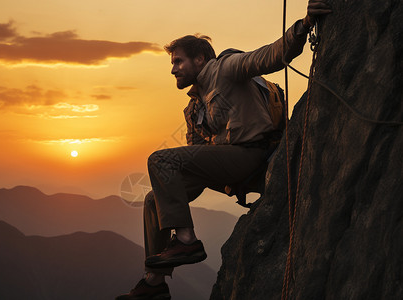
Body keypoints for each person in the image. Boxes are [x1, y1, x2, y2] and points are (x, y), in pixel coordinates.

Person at [116, 1, 332, 299]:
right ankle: (155, 283)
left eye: (178, 62)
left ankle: (187, 239)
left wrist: (304, 25)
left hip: (253, 156)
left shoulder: (226, 68)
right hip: (230, 167)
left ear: (201, 59)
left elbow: (270, 56)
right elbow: (195, 163)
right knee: (155, 198)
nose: (173, 70)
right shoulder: (194, 108)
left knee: (160, 159)